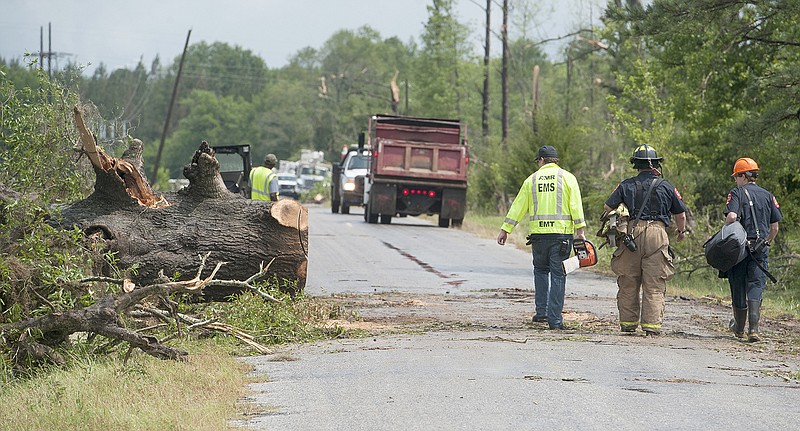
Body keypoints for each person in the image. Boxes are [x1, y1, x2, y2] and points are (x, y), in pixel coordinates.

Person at [497, 145, 586, 330]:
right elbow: (576, 205)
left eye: (538, 160)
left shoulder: (531, 180)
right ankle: (555, 321)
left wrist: (506, 229)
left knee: (540, 271)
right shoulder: (568, 178)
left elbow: (518, 206)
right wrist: (580, 230)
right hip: (561, 236)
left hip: (539, 237)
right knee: (558, 275)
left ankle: (541, 313)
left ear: (542, 160)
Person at [603, 144, 687, 336]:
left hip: (630, 234)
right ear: (656, 164)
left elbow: (607, 208)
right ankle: (651, 327)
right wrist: (681, 232)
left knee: (628, 280)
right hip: (657, 234)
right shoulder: (666, 186)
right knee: (654, 283)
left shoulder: (625, 185)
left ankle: (628, 323)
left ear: (636, 165)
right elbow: (680, 214)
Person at [724, 157, 781, 342]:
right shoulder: (768, 195)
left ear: (742, 176)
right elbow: (775, 228)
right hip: (760, 248)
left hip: (740, 248)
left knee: (738, 284)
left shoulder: (737, 193)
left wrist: (724, 232)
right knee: (756, 285)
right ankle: (754, 330)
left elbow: (732, 216)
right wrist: (766, 242)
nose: (735, 181)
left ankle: (739, 328)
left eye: (736, 177)